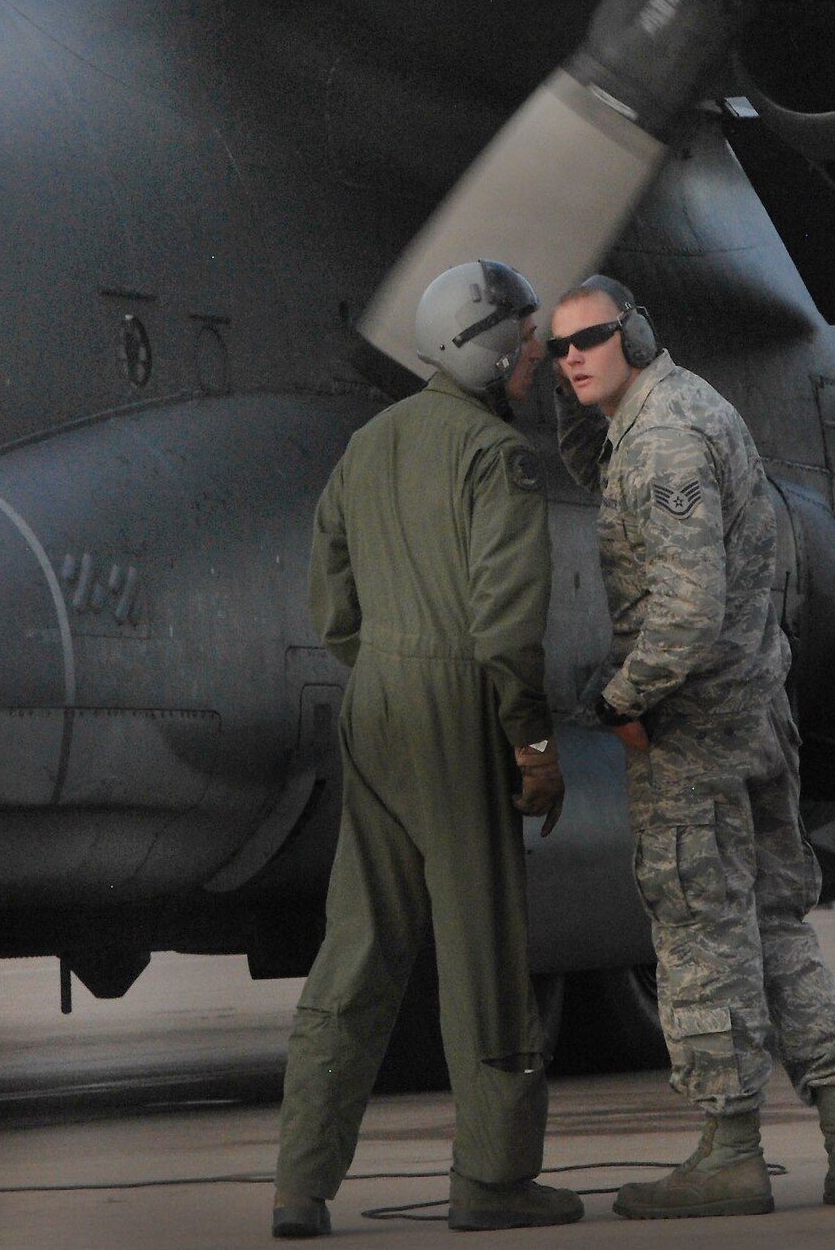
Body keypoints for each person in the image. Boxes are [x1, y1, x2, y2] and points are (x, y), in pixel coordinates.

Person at [550, 275, 835, 1219]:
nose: (573, 355)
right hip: (758, 719)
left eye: (591, 339)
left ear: (639, 334)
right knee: (780, 924)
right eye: (560, 344)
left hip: (693, 732)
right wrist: (568, 397)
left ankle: (730, 1149)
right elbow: (598, 470)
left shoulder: (660, 439)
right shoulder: (686, 410)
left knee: (702, 935)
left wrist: (622, 695)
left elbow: (689, 608)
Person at [271, 260, 582, 1238]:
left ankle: (299, 1182)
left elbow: (329, 599)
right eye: (525, 336)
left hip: (374, 701)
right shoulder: (497, 456)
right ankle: (491, 1178)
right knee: (484, 948)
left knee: (355, 949)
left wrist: (388, 664)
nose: (536, 352)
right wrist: (529, 738)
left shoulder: (367, 443)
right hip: (456, 703)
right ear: (487, 346)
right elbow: (503, 625)